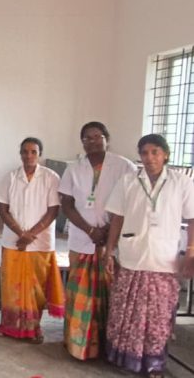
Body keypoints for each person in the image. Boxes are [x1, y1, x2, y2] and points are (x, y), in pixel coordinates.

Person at [104, 134, 194, 378]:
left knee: (158, 316)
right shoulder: (128, 181)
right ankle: (124, 358)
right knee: (126, 312)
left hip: (164, 260)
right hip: (132, 256)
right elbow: (117, 218)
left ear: (166, 155)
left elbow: (192, 219)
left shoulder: (181, 182)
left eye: (155, 152)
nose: (150, 157)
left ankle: (154, 364)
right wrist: (109, 251)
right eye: (144, 153)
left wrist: (191, 251)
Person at [59, 121, 136, 360]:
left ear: (107, 139)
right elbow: (67, 204)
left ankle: (108, 346)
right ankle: (78, 344)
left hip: (112, 241)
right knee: (79, 296)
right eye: (87, 138)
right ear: (82, 142)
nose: (92, 141)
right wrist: (90, 230)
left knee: (110, 295)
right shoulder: (73, 168)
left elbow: (131, 203)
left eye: (97, 136)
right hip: (82, 238)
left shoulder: (125, 167)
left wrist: (107, 231)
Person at [0, 137, 64, 343]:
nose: (29, 155)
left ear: (40, 154)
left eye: (33, 152)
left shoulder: (51, 177)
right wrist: (20, 233)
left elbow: (53, 211)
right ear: (20, 154)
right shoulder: (10, 177)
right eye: (25, 151)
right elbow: (3, 211)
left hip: (40, 243)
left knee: (37, 288)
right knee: (11, 287)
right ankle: (10, 326)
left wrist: (30, 235)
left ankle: (34, 327)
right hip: (13, 241)